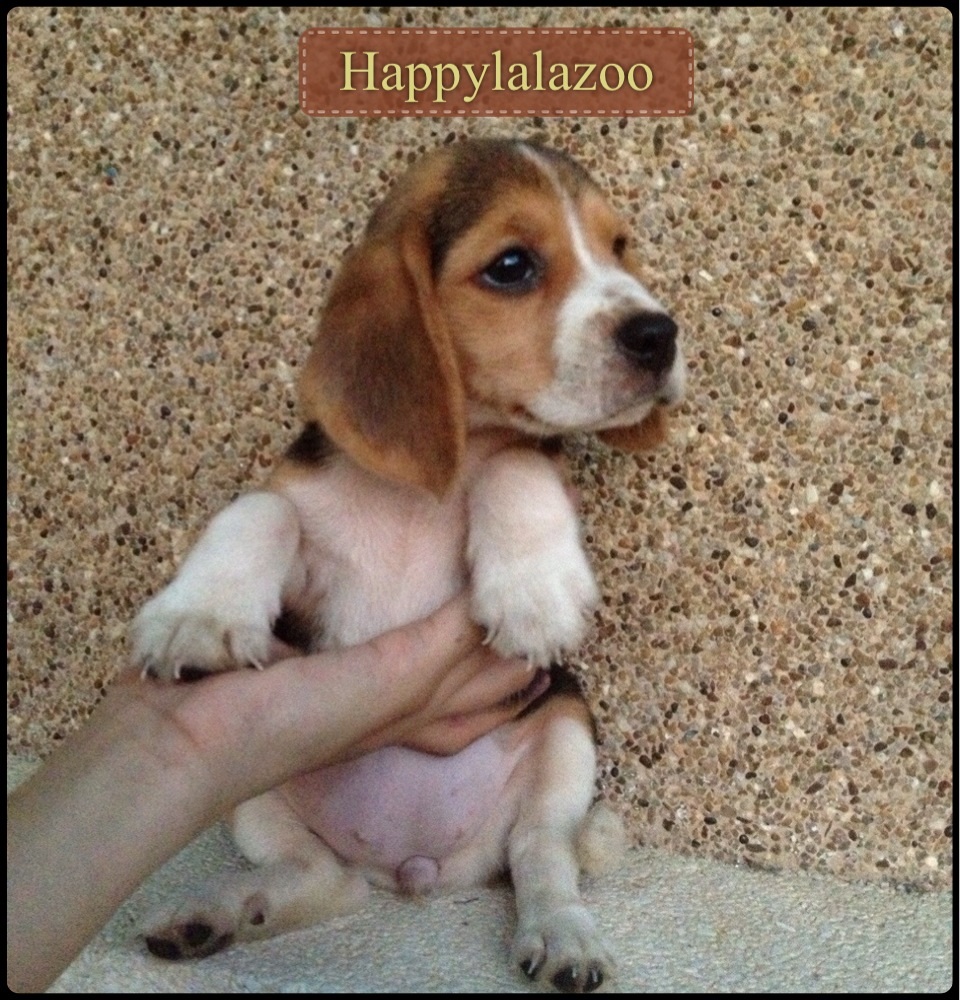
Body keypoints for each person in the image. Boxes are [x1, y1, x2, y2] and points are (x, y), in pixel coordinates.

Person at [7, 596, 536, 993]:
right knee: (242, 773)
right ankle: (303, 872)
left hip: (492, 811)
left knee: (556, 726)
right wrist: (182, 739)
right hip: (327, 807)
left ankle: (550, 891)